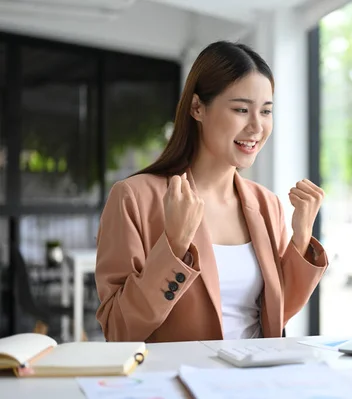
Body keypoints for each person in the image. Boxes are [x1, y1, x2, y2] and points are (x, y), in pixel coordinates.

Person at [94, 41, 328, 343]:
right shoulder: (134, 197)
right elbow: (118, 330)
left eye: (266, 111)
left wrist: (301, 238)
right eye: (241, 109)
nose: (257, 126)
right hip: (177, 384)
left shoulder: (266, 204)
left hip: (255, 382)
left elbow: (275, 315)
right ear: (197, 108)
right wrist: (174, 247)